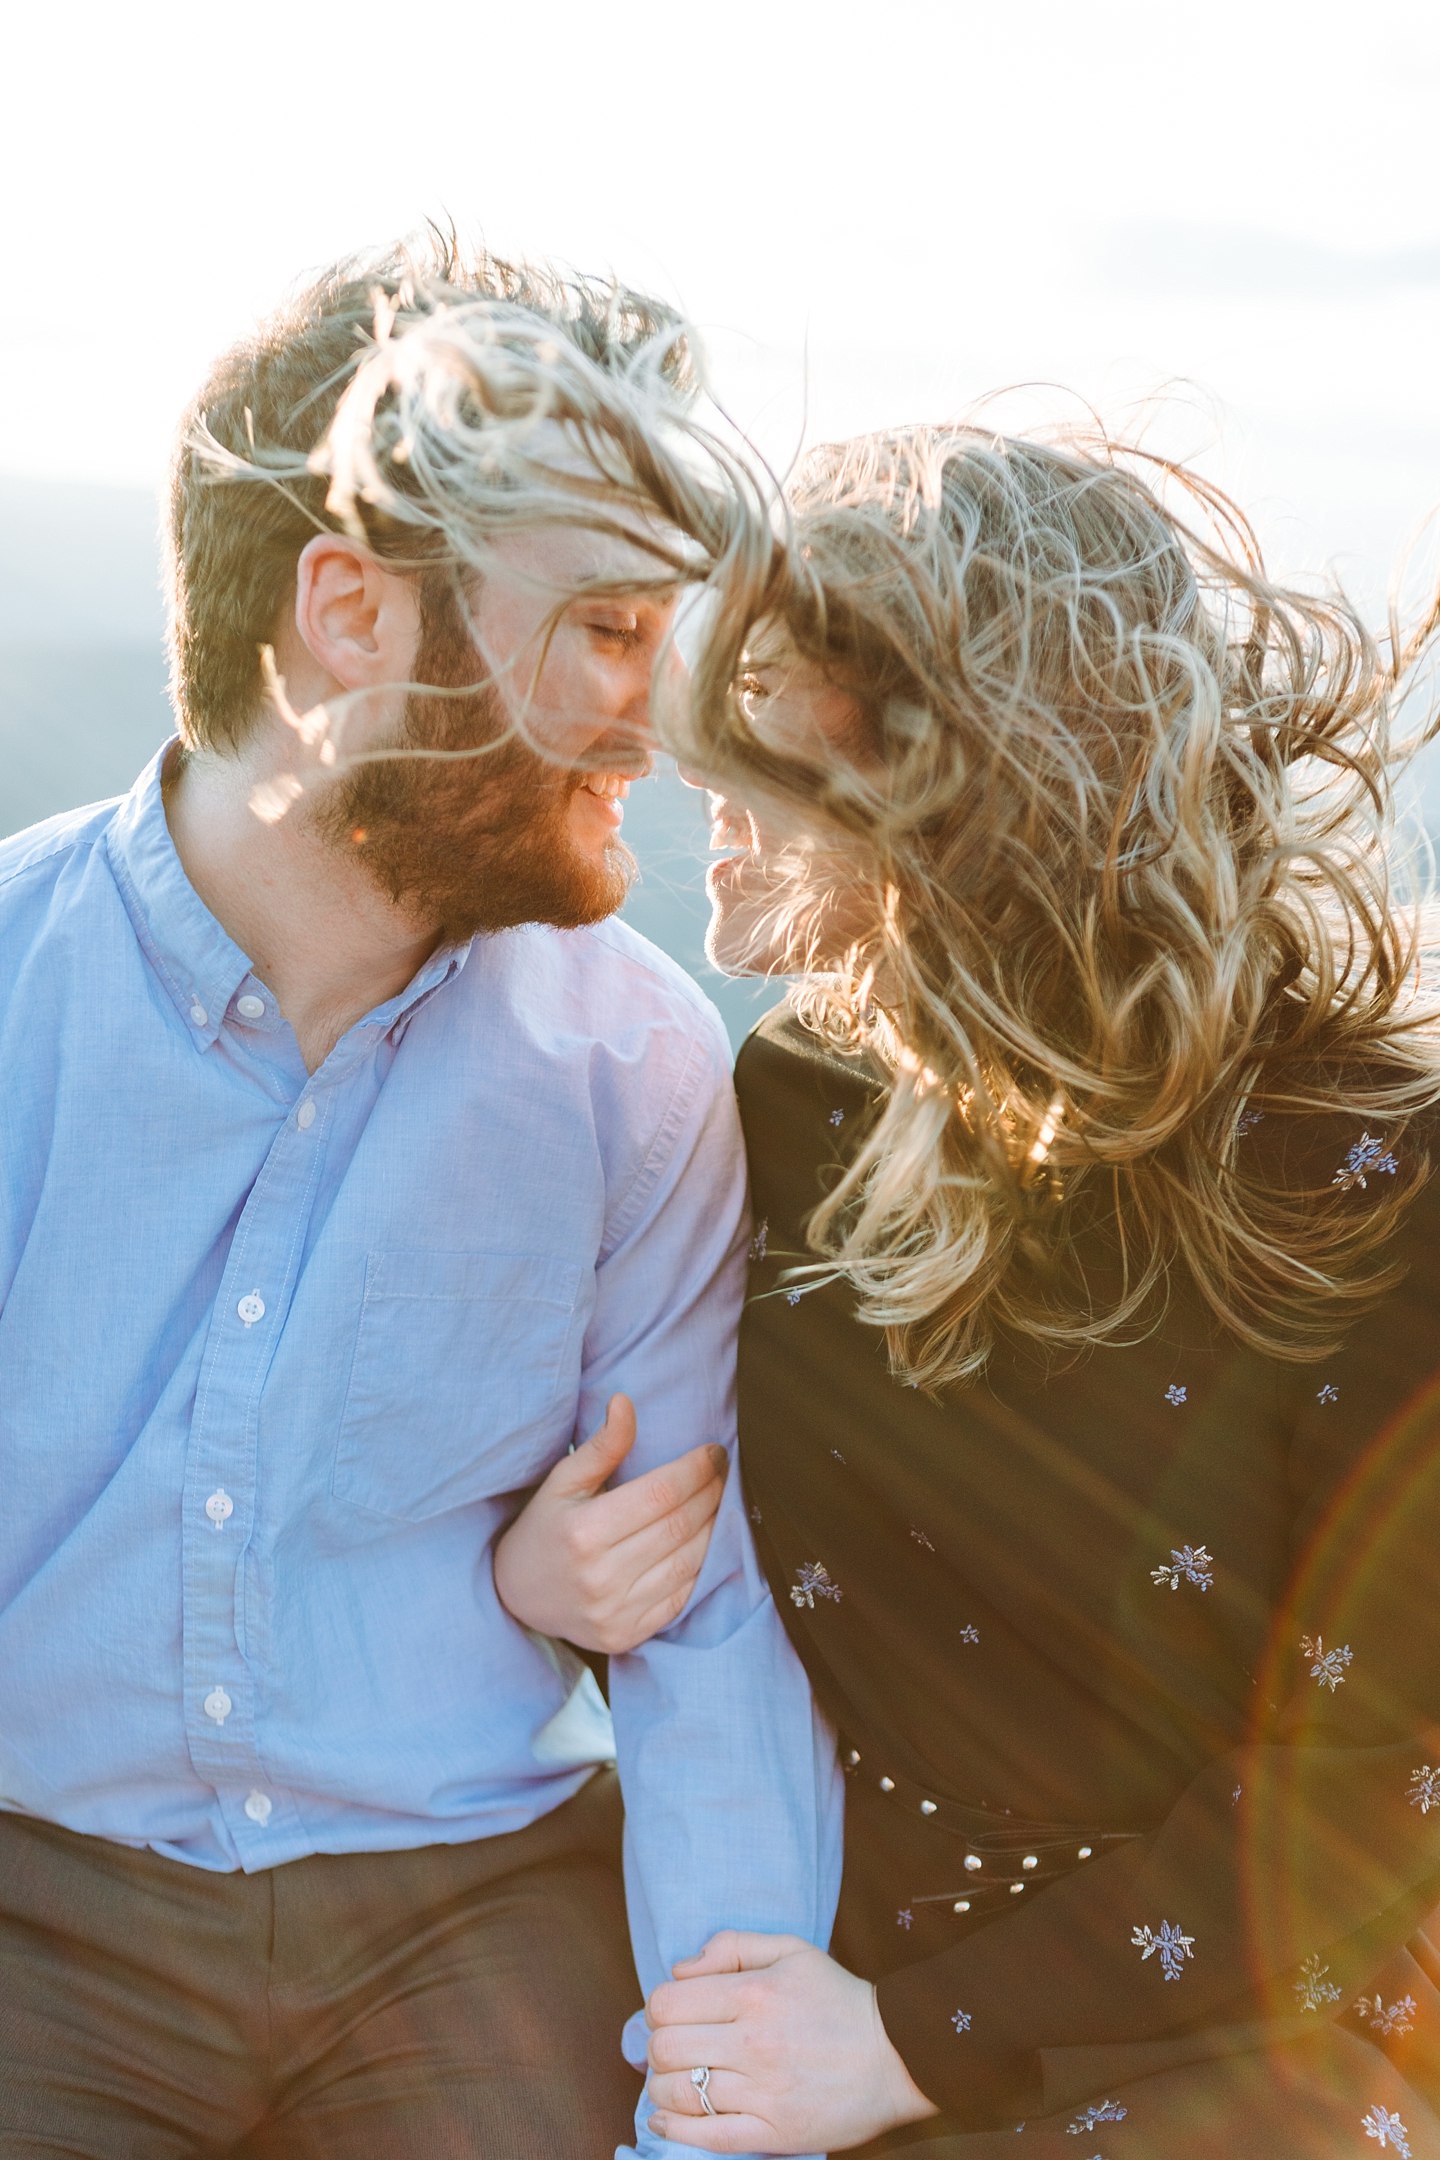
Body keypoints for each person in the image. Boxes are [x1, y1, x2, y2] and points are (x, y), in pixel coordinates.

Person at [500, 426, 1440, 2155]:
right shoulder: (788, 1100)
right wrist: (550, 1578)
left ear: (946, 772)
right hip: (810, 1987)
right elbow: (697, 1525)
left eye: (761, 706)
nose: (677, 753)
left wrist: (915, 2048)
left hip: (1239, 2045)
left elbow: (1385, 1780)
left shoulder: (1369, 1176)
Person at [0, 239, 841, 2160]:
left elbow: (702, 1645)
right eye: (607, 630)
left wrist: (716, 2119)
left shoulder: (634, 1067)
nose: (655, 724)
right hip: (38, 1897)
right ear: (352, 618)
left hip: (473, 1899)